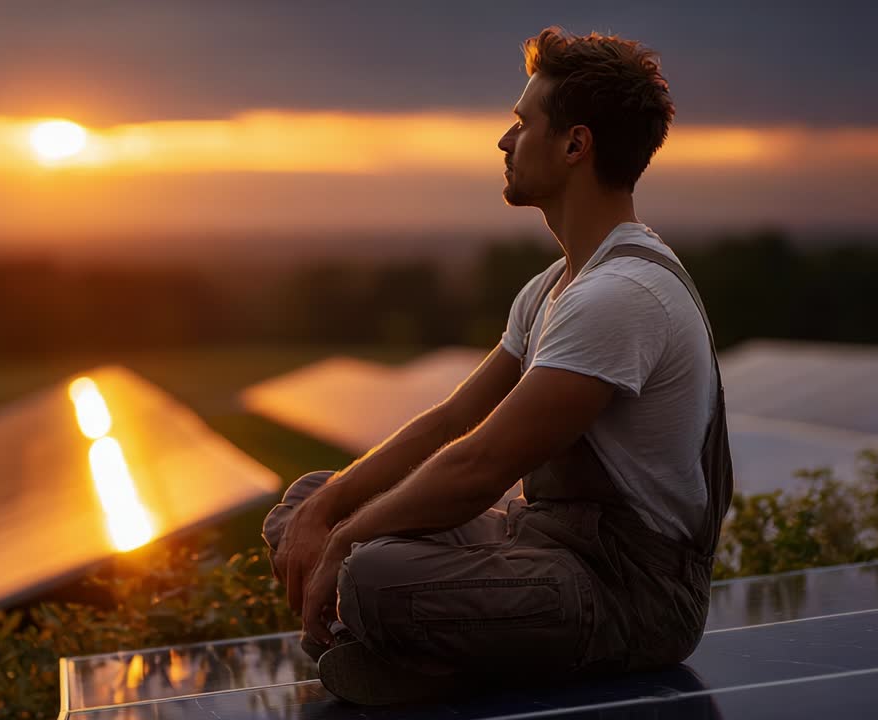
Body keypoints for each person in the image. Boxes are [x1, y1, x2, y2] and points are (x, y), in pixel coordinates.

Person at [262, 26, 733, 706]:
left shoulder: (620, 297)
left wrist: (343, 546)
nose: (505, 142)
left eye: (521, 124)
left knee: (370, 576)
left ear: (575, 144)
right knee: (307, 500)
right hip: (541, 544)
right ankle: (418, 651)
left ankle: (430, 664)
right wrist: (330, 515)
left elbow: (478, 465)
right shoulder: (553, 286)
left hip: (629, 594)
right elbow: (452, 418)